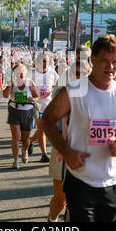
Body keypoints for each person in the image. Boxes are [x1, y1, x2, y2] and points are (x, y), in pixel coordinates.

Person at [41, 34, 116, 222]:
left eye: (115, 62)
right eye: (105, 61)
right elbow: (47, 120)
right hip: (80, 178)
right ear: (93, 59)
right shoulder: (74, 90)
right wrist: (67, 151)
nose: (111, 67)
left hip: (112, 180)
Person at [47, 60, 90, 222]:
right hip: (62, 148)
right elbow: (51, 123)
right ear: (71, 75)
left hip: (86, 151)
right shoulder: (62, 93)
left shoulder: (95, 94)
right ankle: (52, 219)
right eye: (76, 73)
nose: (79, 77)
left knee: (81, 200)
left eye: (84, 73)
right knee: (61, 200)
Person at [3, 63, 39, 169]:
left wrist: (33, 99)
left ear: (25, 71)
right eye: (18, 71)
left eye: (22, 71)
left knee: (26, 139)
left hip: (27, 111)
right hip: (14, 110)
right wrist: (10, 84)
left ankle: (24, 151)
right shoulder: (12, 83)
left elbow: (37, 96)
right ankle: (15, 160)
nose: (21, 73)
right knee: (15, 137)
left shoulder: (29, 82)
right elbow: (5, 95)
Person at [28, 53, 59, 162]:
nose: (44, 63)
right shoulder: (32, 73)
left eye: (46, 61)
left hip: (48, 105)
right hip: (37, 105)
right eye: (42, 61)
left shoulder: (52, 72)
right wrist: (31, 97)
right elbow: (27, 88)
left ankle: (30, 141)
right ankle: (44, 154)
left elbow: (56, 85)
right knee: (41, 128)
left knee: (45, 128)